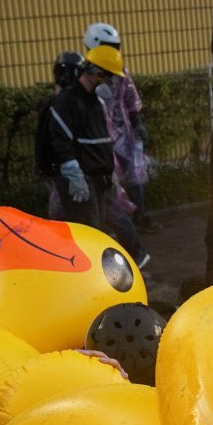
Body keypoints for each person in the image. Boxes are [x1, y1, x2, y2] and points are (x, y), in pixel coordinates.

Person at [45, 44, 147, 266]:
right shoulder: (67, 102)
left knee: (98, 227)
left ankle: (99, 270)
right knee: (88, 230)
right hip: (81, 177)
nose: (111, 83)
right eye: (108, 77)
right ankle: (85, 274)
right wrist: (73, 172)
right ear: (95, 73)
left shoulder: (95, 101)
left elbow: (102, 139)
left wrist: (109, 171)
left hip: (99, 175)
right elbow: (60, 140)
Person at [85, 22, 152, 232]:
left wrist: (137, 124)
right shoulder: (85, 72)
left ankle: (140, 217)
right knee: (110, 178)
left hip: (124, 129)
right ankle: (116, 223)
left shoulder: (119, 69)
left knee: (135, 170)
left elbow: (131, 97)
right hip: (100, 133)